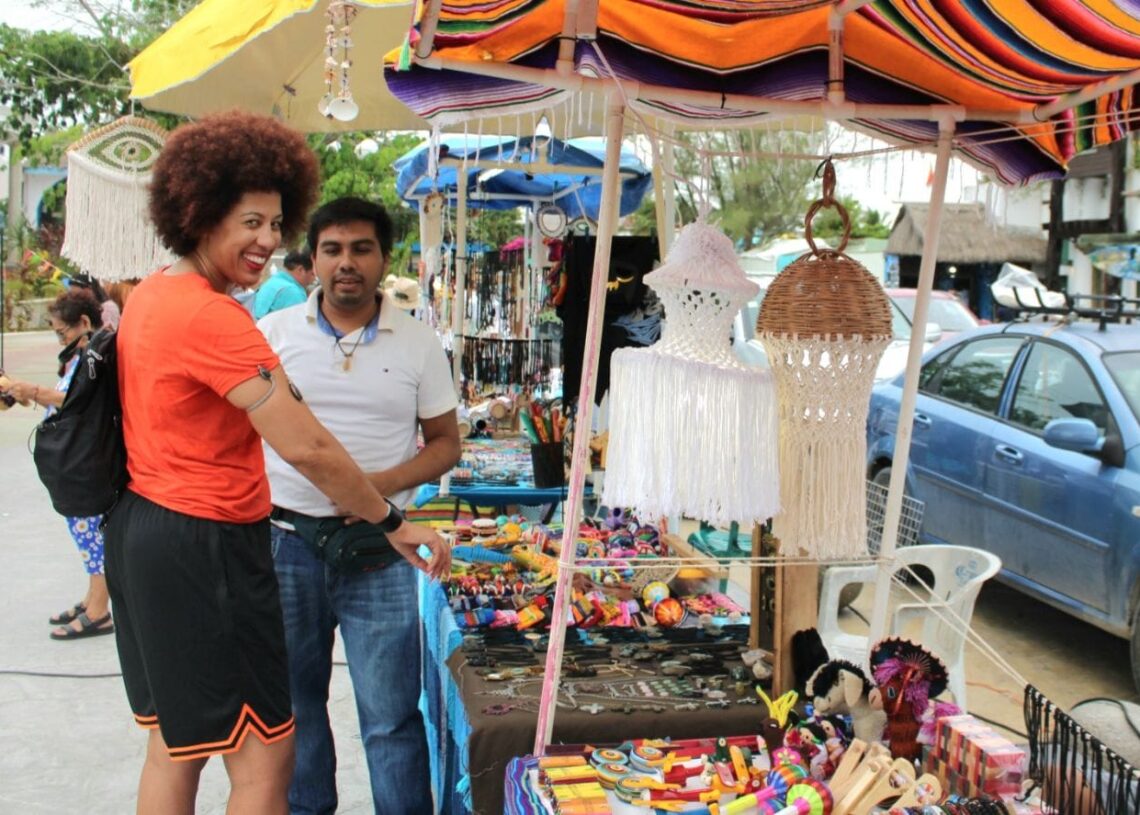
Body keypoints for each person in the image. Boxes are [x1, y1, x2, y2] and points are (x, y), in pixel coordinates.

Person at [105, 111, 450, 815]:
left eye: (274, 223)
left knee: (176, 745)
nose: (268, 240)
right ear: (200, 213)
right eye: (251, 222)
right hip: (208, 543)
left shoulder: (150, 296)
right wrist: (392, 520)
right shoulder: (217, 318)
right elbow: (307, 446)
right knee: (266, 758)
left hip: (148, 532)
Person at [258, 196, 460, 815]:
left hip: (381, 549)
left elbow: (446, 445)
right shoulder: (272, 335)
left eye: (361, 249)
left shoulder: (418, 342)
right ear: (313, 258)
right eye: (333, 249)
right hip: (284, 545)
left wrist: (372, 489)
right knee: (295, 710)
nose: (346, 262)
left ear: (384, 258)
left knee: (390, 717)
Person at [4, 288, 114, 640]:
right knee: (84, 533)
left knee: (93, 535)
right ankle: (92, 598)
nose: (60, 339)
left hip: (88, 461)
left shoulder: (98, 353)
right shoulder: (83, 354)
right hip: (77, 459)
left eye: (62, 331)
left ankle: (99, 611)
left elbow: (78, 400)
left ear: (83, 322)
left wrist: (33, 391)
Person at [251, 250, 315, 319]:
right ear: (300, 270)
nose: (314, 279)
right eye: (312, 274)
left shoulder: (272, 282)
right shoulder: (293, 292)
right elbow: (299, 323)